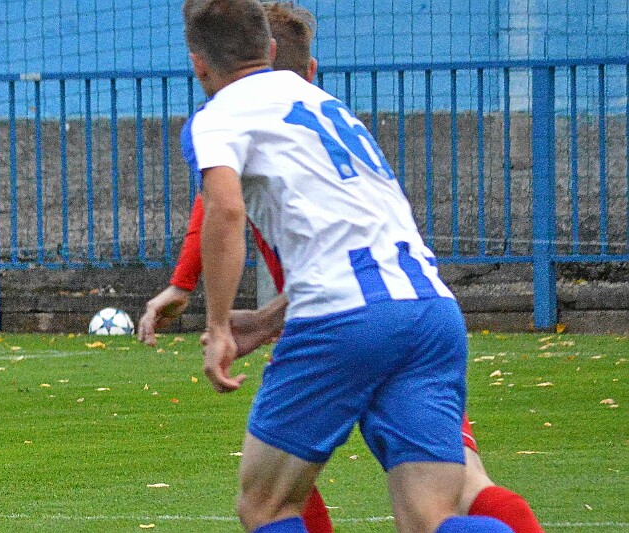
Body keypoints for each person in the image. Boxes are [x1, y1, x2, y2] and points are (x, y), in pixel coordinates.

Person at [143, 4, 544, 532]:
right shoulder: (330, 107)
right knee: (432, 517)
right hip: (430, 312)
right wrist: (266, 320)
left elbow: (224, 209)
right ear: (269, 50)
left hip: (339, 322)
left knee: (266, 504)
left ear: (199, 65)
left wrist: (218, 325)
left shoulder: (217, 117)